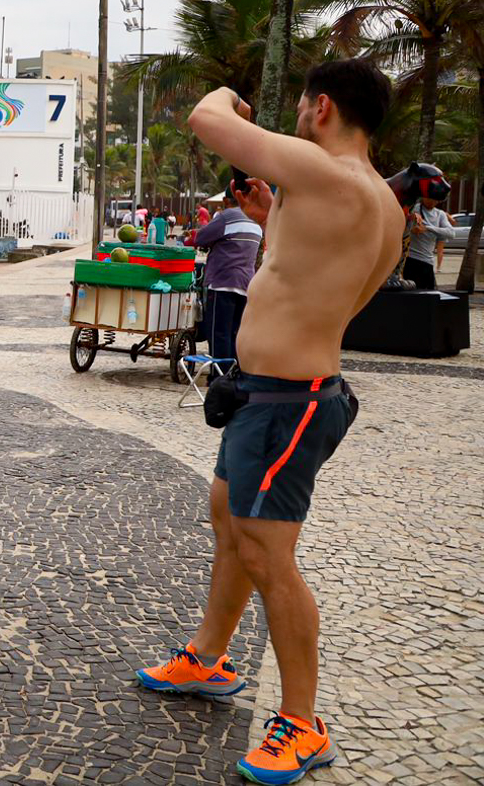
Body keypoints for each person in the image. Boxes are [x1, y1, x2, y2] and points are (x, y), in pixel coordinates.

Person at [137, 59, 402, 784]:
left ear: (319, 108)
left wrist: (231, 95)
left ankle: (302, 723)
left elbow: (207, 120)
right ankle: (207, 657)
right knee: (228, 518)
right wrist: (267, 220)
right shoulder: (373, 201)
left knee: (265, 555)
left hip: (288, 401)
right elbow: (332, 283)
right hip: (271, 392)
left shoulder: (329, 176)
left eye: (297, 107)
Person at [189, 172, 264, 364]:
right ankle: (233, 377)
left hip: (222, 283)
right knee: (235, 333)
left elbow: (201, 238)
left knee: (218, 334)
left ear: (225, 200)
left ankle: (219, 379)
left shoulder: (227, 216)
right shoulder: (255, 220)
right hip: (246, 285)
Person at [401, 194, 466, 290]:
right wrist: (410, 228)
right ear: (423, 197)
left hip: (428, 262)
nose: (432, 201)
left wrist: (428, 228)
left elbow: (451, 233)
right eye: (429, 198)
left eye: (435, 199)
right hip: (411, 260)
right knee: (411, 297)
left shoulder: (440, 214)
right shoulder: (414, 209)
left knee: (429, 296)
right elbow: (400, 223)